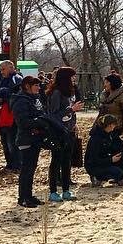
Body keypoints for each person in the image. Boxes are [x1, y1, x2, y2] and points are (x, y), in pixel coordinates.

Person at [11, 75, 79, 207]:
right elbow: (23, 122)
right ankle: (23, 198)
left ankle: (29, 195)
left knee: (32, 168)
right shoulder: (21, 101)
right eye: (35, 85)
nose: (38, 88)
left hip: (36, 139)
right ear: (27, 86)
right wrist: (41, 122)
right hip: (26, 139)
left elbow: (44, 115)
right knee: (26, 169)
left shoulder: (35, 99)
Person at [46, 67, 83, 202]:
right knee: (56, 160)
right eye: (72, 77)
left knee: (67, 161)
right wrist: (71, 109)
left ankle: (66, 190)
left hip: (69, 131)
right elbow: (53, 114)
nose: (74, 79)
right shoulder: (56, 93)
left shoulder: (69, 93)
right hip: (58, 131)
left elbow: (68, 113)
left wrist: (73, 121)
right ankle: (53, 191)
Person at [85, 114, 123, 186]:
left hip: (105, 160)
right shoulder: (96, 138)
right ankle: (97, 177)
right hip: (95, 166)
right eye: (114, 125)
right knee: (118, 172)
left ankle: (121, 178)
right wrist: (111, 160)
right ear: (110, 125)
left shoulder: (109, 133)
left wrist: (122, 142)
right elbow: (94, 159)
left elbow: (113, 147)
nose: (115, 127)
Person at [97, 73, 123, 142]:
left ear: (112, 83)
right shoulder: (105, 96)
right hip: (104, 128)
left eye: (107, 82)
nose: (105, 85)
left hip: (117, 129)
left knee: (116, 150)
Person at [0, 61, 21, 128]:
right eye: (0, 70)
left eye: (3, 69)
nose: (1, 72)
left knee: (10, 135)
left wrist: (2, 99)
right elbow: (0, 91)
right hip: (2, 114)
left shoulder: (16, 78)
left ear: (11, 68)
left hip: (11, 116)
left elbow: (17, 96)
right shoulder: (3, 78)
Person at [0, 86, 20, 171]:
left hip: (10, 129)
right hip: (2, 129)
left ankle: (16, 165)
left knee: (12, 147)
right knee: (6, 147)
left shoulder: (9, 104)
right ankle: (9, 164)